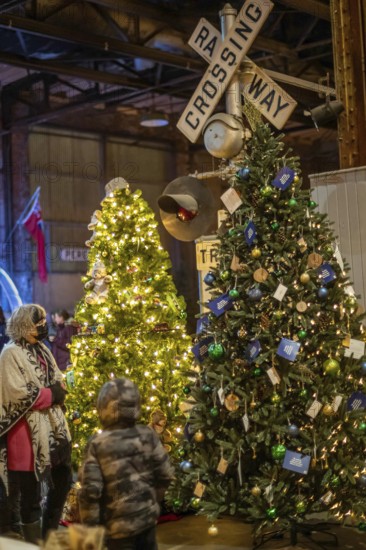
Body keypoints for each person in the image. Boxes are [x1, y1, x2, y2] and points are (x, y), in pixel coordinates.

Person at [0, 304, 72, 543]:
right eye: (37, 323)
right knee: (30, 498)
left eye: (43, 322)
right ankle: (34, 543)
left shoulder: (42, 348)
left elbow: (58, 380)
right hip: (25, 436)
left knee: (62, 482)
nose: (42, 327)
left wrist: (54, 391)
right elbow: (18, 393)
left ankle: (49, 535)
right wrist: (51, 395)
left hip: (54, 431)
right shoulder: (10, 353)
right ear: (23, 326)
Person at [78, 377, 174, 550]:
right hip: (147, 522)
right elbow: (166, 474)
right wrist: (151, 501)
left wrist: (91, 531)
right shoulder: (148, 435)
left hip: (117, 530)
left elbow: (90, 492)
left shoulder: (98, 445)